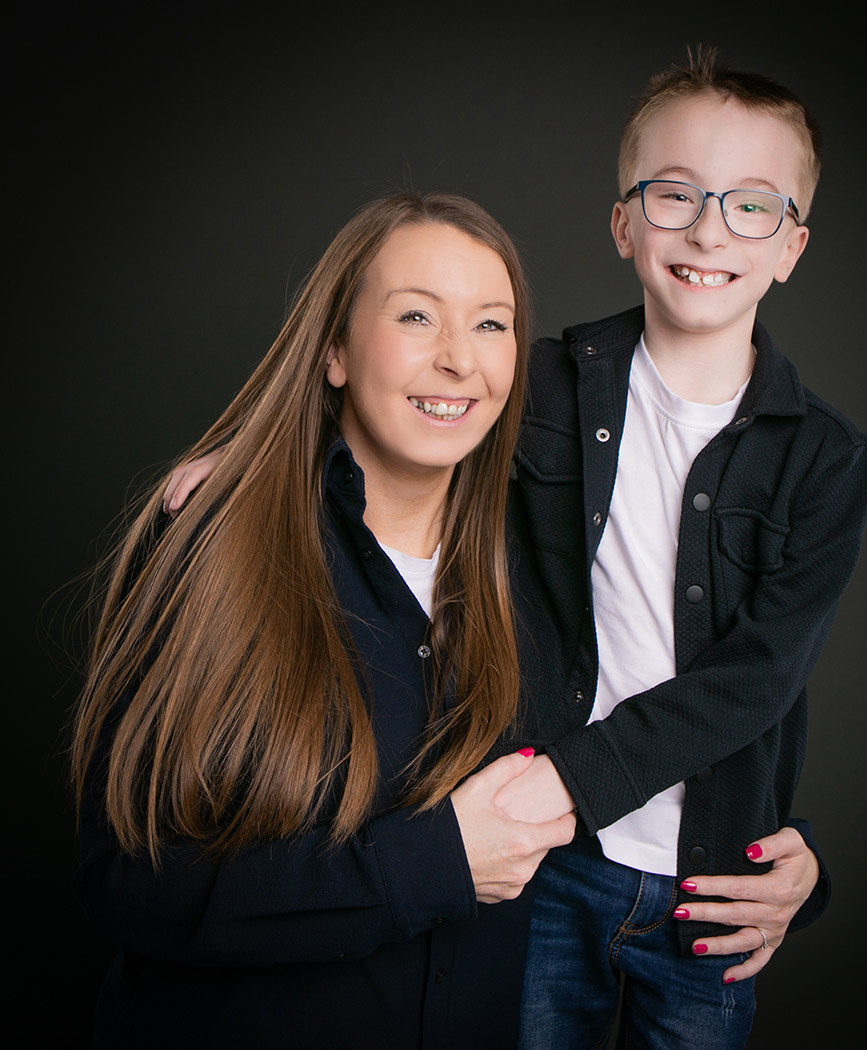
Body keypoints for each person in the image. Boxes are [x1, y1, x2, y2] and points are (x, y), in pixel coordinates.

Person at [70, 191, 579, 1050]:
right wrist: (434, 866)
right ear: (336, 350)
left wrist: (770, 851)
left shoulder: (544, 579)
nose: (459, 360)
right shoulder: (216, 547)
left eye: (492, 326)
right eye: (418, 316)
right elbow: (131, 883)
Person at [492, 47, 867, 1049]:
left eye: (751, 205)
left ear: (791, 246)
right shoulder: (534, 385)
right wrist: (238, 449)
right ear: (623, 222)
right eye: (674, 196)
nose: (708, 229)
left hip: (715, 885)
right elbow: (395, 410)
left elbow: (758, 677)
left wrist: (576, 776)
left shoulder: (828, 457)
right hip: (544, 864)